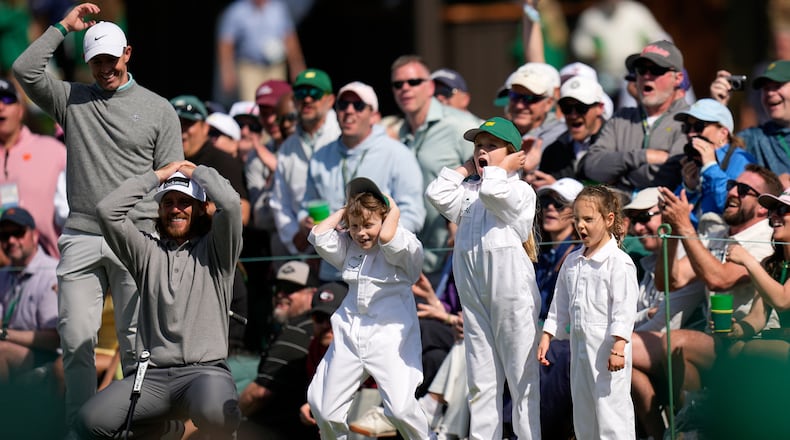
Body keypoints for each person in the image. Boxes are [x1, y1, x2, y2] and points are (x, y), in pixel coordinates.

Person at [12, 3, 185, 426]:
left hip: (138, 238)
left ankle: (134, 426)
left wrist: (169, 245)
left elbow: (173, 182)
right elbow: (25, 69)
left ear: (128, 53)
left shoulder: (159, 108)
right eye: (96, 61)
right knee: (75, 341)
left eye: (110, 58)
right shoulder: (72, 99)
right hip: (82, 235)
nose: (104, 68)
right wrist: (63, 28)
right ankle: (82, 427)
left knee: (135, 345)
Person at [77, 161, 242, 439]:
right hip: (152, 377)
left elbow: (231, 204)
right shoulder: (146, 251)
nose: (175, 209)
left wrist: (196, 172)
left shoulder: (218, 249)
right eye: (168, 202)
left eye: (185, 202)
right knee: (91, 421)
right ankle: (168, 430)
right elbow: (107, 212)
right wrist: (157, 177)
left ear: (201, 209)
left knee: (216, 413)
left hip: (204, 373)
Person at [426, 117, 541, 440]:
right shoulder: (469, 191)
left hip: (512, 296)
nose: (482, 151)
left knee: (522, 379)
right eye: (478, 146)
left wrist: (500, 167)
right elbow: (436, 193)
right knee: (481, 378)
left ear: (511, 154)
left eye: (491, 146)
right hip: (475, 296)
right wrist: (466, 166)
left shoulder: (519, 189)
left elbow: (493, 190)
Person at [307, 177, 431, 439]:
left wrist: (393, 209)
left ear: (385, 218)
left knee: (400, 410)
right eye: (354, 226)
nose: (361, 232)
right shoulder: (349, 245)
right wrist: (346, 209)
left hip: (390, 335)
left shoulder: (405, 243)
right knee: (323, 408)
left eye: (368, 225)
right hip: (350, 332)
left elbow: (387, 237)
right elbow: (318, 235)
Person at [538, 185, 639, 440]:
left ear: (609, 219)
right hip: (580, 347)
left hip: (607, 348)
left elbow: (624, 309)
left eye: (589, 219)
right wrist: (548, 334)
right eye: (577, 219)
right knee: (583, 411)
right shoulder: (572, 261)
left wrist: (618, 346)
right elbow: (559, 303)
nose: (581, 226)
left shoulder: (619, 262)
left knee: (611, 411)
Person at [301, 81, 425, 280]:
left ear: (373, 114)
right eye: (343, 105)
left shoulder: (398, 153)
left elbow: (414, 214)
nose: (349, 111)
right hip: (331, 267)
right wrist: (307, 222)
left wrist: (376, 236)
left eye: (358, 106)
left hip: (379, 271)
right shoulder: (320, 155)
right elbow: (306, 205)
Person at [391, 55, 479, 278]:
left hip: (455, 255)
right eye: (398, 84)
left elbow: (494, 171)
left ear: (430, 87)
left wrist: (462, 217)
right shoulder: (398, 132)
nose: (405, 89)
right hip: (411, 258)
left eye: (413, 82)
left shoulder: (460, 124)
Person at [580, 40, 689, 191]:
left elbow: (670, 176)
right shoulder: (621, 118)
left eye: (656, 70)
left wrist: (620, 176)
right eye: (641, 69)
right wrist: (642, 156)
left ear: (678, 78)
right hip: (619, 210)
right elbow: (593, 167)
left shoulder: (689, 121)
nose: (647, 76)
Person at [238, 260, 323, 440]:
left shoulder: (298, 331)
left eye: (291, 288)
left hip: (280, 430)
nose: (282, 294)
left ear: (313, 294)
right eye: (278, 288)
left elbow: (259, 394)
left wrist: (222, 420)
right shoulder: (302, 326)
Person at [270, 68, 340, 257]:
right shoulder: (287, 148)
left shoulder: (343, 135)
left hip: (347, 245)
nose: (307, 99)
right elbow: (279, 203)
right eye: (301, 94)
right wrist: (296, 237)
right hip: (304, 250)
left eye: (314, 94)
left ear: (330, 100)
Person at [0, 79, 66, 258]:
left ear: (21, 110)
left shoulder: (54, 150)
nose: (0, 106)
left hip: (52, 269)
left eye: (7, 99)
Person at [171, 95, 251, 227]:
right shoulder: (161, 160)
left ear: (205, 128)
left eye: (188, 123)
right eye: (176, 123)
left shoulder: (222, 160)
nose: (181, 130)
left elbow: (243, 213)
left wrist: (200, 209)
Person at [0, 207, 59, 382]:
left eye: (18, 233)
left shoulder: (51, 272)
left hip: (47, 356)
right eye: (4, 236)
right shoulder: (4, 274)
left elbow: (54, 339)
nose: (11, 240)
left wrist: (4, 334)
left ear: (35, 235)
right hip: (14, 348)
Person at [712, 60, 790, 183]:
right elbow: (718, 152)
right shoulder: (755, 138)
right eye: (765, 88)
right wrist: (719, 106)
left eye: (777, 86)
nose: (769, 93)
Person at [569, 0, 667, 97]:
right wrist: (591, 52)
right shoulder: (591, 16)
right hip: (605, 76)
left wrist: (649, 54)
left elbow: (659, 37)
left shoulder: (637, 11)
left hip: (637, 75)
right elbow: (579, 46)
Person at [215, 0, 305, 104]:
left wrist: (297, 66)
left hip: (275, 66)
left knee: (277, 101)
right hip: (249, 67)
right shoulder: (237, 11)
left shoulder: (278, 8)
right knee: (252, 102)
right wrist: (227, 71)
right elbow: (226, 43)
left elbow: (289, 38)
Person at [536, 75, 607, 188]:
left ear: (600, 108)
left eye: (581, 108)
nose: (573, 115)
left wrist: (560, 189)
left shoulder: (615, 146)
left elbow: (617, 196)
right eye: (567, 108)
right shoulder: (553, 152)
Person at [298, 281, 349, 435]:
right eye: (319, 318)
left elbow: (373, 395)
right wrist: (311, 405)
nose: (326, 325)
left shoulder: (367, 348)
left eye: (333, 317)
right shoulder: (316, 347)